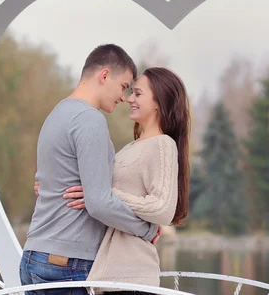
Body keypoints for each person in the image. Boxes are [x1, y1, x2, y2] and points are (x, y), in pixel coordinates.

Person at [20, 45, 161, 295]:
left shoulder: (56, 114)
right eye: (123, 86)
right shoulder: (89, 119)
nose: (124, 97)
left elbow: (46, 181)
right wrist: (147, 230)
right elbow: (99, 204)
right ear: (104, 75)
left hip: (34, 257)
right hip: (67, 264)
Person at [63, 67, 191, 295]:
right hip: (111, 276)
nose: (129, 98)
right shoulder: (131, 147)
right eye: (131, 92)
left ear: (158, 102)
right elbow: (99, 190)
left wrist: (102, 193)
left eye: (138, 93)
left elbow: (162, 209)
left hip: (133, 277)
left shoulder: (163, 145)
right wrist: (54, 185)